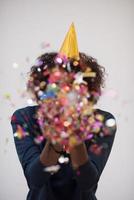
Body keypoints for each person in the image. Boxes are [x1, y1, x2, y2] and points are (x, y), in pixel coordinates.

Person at [11, 24, 117, 200]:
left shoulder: (103, 121)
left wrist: (74, 136)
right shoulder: (24, 118)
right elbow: (34, 178)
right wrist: (56, 141)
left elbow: (88, 182)